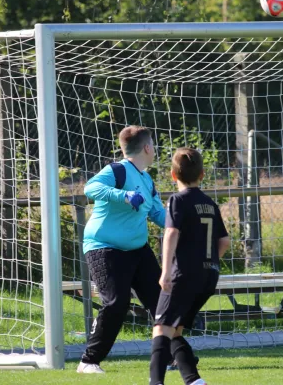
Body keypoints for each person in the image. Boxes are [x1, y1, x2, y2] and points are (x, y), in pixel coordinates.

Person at [77, 125, 166, 374]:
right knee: (117, 302)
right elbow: (90, 188)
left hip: (137, 249)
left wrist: (184, 225)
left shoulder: (147, 180)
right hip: (104, 247)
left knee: (161, 302)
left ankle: (169, 356)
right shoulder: (116, 170)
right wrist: (124, 196)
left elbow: (158, 214)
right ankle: (88, 361)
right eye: (154, 146)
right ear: (147, 148)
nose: (155, 150)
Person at [150, 147, 230, 385]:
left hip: (183, 275)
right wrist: (209, 262)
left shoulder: (177, 200)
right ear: (202, 174)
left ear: (173, 175)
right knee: (175, 330)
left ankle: (156, 382)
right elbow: (224, 241)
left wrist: (165, 271)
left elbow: (172, 232)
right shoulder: (210, 203)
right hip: (208, 276)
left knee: (161, 328)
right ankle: (193, 380)